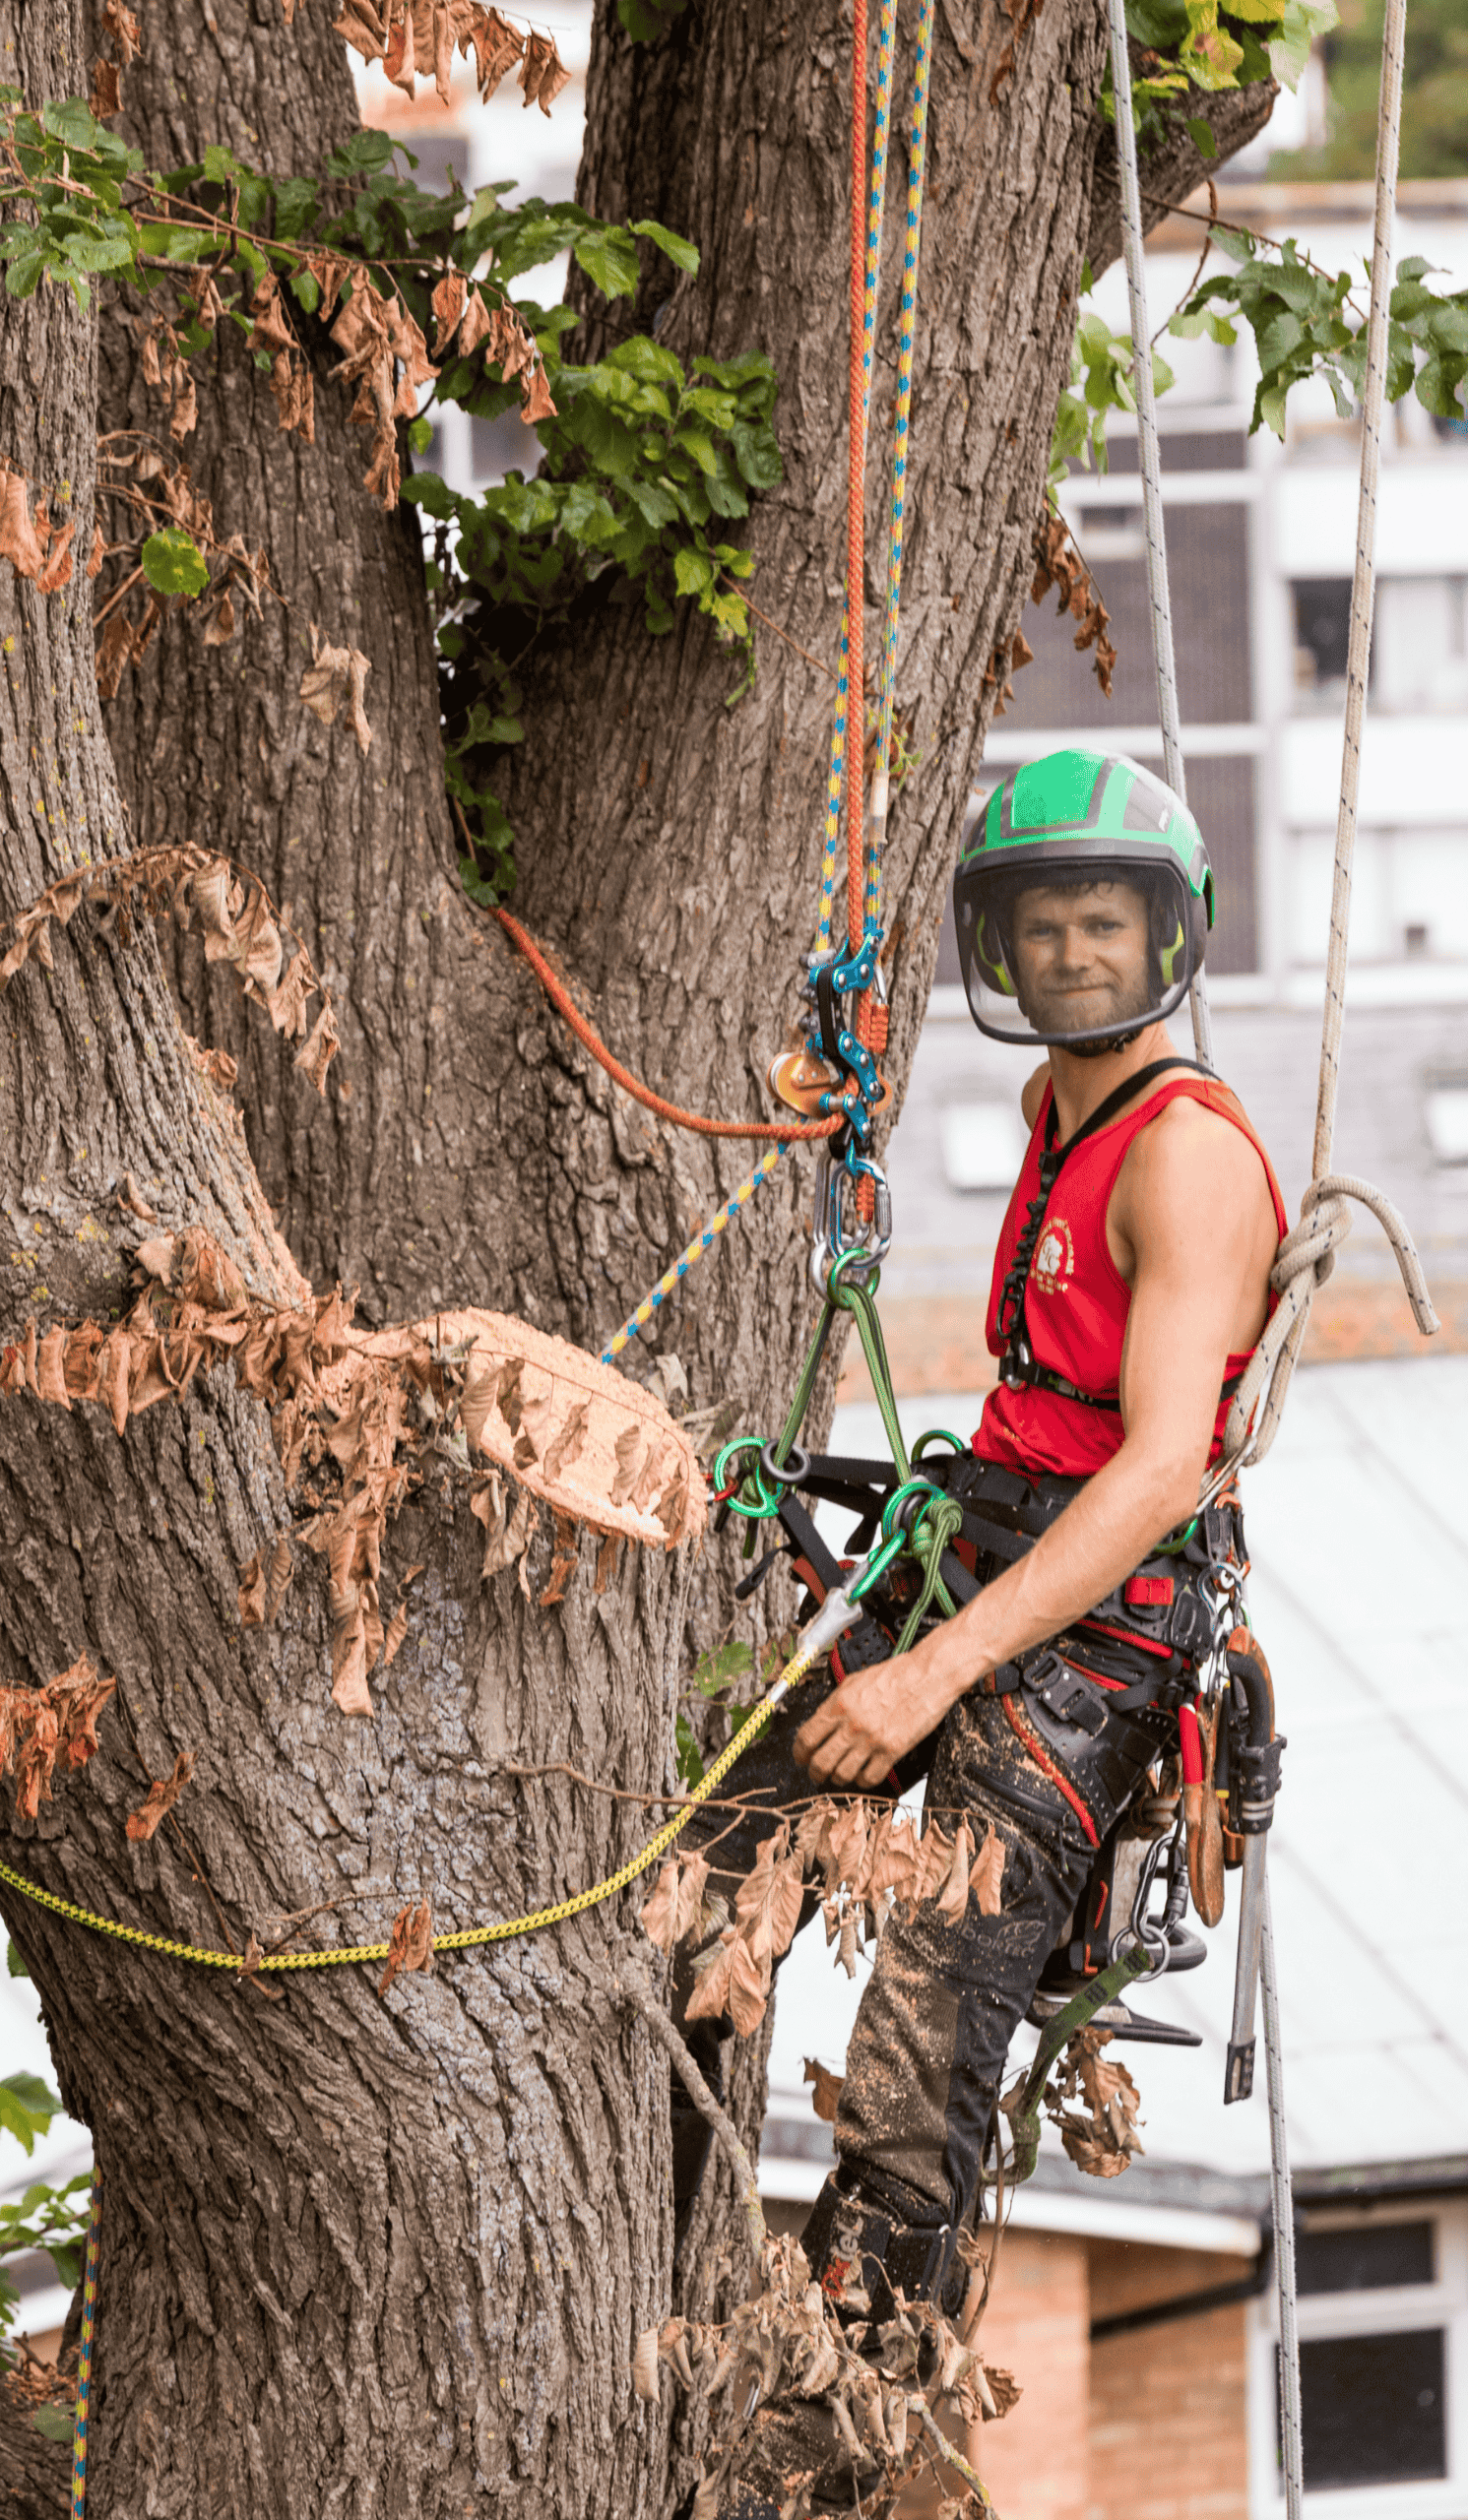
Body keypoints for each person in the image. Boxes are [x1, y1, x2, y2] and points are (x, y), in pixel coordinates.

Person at [670, 747, 1287, 2516]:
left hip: (1093, 1634)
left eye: (1106, 920)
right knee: (705, 1871)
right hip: (982, 1551)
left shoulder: (1188, 1161)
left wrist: (936, 1672)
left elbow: (1161, 1465)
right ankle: (653, 2246)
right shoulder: (1052, 1110)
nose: (1075, 953)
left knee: (913, 2070)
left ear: (1168, 933)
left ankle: (836, 2457)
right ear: (1001, 953)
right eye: (1043, 926)